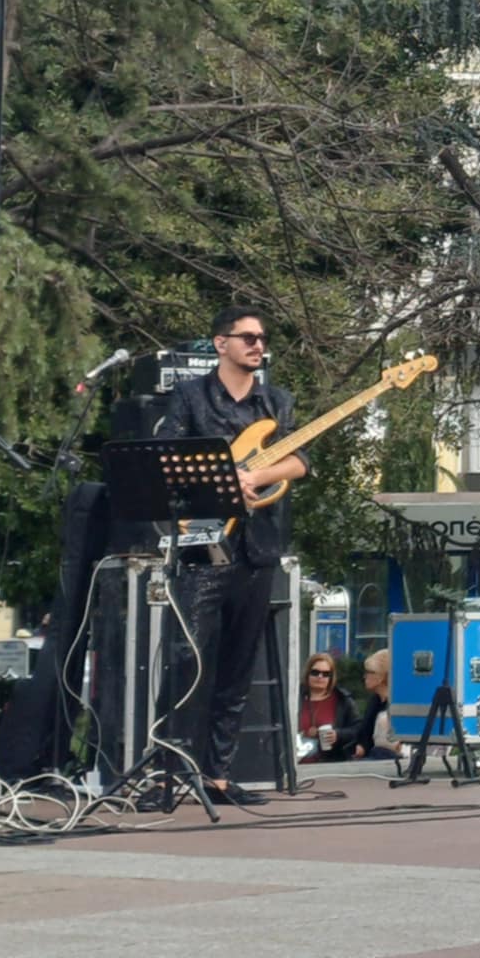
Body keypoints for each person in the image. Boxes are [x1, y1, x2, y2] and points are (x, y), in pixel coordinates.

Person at [158, 304, 309, 807]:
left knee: (237, 667)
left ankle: (218, 775)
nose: (258, 345)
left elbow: (299, 460)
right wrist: (223, 481)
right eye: (247, 337)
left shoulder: (276, 402)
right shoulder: (190, 397)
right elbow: (167, 461)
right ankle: (170, 772)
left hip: (257, 546)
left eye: (262, 338)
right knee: (189, 660)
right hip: (204, 540)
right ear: (220, 343)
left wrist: (257, 477)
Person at [296, 651, 359, 763]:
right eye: (315, 672)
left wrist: (338, 734)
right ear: (307, 673)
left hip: (328, 763)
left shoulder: (342, 700)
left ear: (331, 677)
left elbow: (358, 729)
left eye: (326, 674)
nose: (320, 677)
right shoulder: (294, 697)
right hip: (295, 763)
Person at [352, 648, 400, 760]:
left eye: (369, 672)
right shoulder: (375, 701)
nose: (365, 676)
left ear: (382, 676)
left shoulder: (396, 705)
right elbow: (366, 733)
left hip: (388, 760)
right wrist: (362, 746)